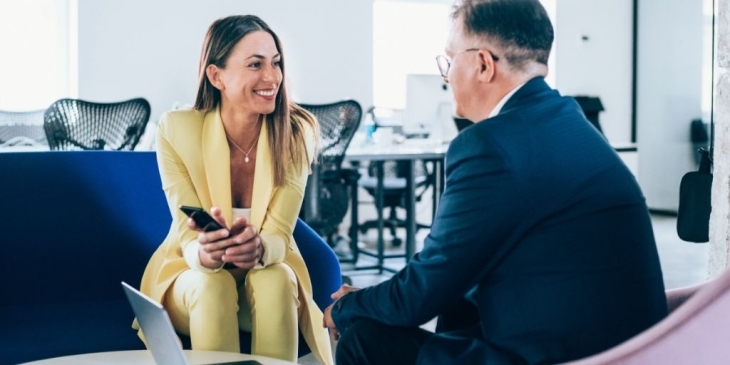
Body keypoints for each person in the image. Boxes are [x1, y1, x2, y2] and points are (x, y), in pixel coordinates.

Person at [323, 1, 667, 364]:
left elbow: (419, 295)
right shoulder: (565, 118)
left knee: (365, 338)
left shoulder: (490, 147)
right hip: (625, 347)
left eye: (449, 60)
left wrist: (347, 307)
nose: (445, 75)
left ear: (483, 65)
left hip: (567, 355)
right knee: (458, 302)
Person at [134, 15, 333, 365]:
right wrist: (206, 254)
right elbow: (187, 237)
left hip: (265, 273)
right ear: (217, 76)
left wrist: (259, 248)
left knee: (276, 277)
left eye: (276, 63)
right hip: (192, 278)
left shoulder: (296, 133)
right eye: (255, 64)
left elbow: (280, 233)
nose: (272, 77)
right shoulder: (177, 130)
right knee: (214, 286)